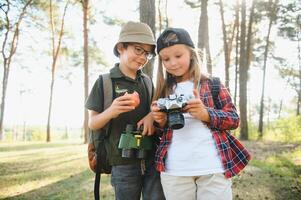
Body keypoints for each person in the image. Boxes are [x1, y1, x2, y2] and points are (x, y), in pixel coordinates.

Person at [151, 27, 251, 200]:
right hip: (175, 170)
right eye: (166, 59)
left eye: (178, 56)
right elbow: (161, 134)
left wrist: (206, 114)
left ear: (191, 54)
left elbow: (234, 119)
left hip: (213, 167)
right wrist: (159, 121)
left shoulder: (212, 84)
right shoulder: (163, 91)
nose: (172, 63)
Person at [85, 21, 165, 200]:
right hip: (122, 163)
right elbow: (93, 122)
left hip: (151, 157)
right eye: (138, 49)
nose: (143, 57)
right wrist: (111, 111)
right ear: (121, 47)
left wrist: (151, 115)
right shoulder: (105, 82)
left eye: (147, 53)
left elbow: (154, 110)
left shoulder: (146, 82)